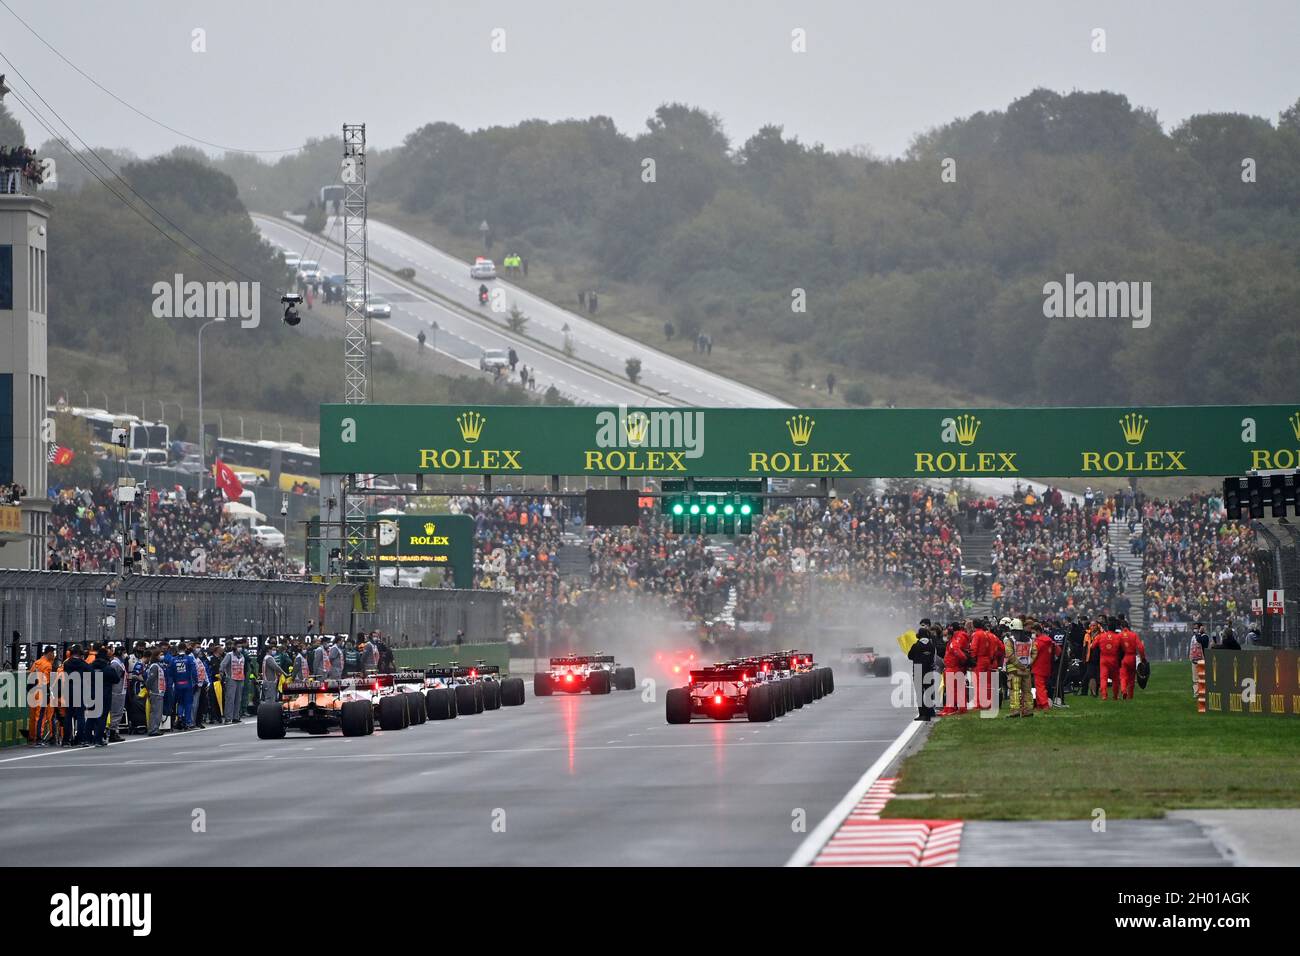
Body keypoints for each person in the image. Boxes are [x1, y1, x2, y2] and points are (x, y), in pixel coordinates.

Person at [1003, 621, 1036, 717]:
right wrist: (1029, 663)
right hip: (1026, 670)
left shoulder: (1010, 640)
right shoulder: (1030, 640)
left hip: (1014, 670)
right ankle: (1028, 710)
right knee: (1027, 691)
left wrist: (1019, 665)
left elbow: (1010, 655)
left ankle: (1015, 710)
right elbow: (1034, 652)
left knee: (1015, 691)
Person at [907, 621, 938, 721]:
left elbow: (910, 656)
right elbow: (933, 658)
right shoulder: (931, 646)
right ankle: (930, 713)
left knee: (920, 694)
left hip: (918, 670)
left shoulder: (916, 646)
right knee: (928, 693)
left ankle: (922, 714)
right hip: (929, 670)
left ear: (918, 635)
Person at [938, 622, 970, 716]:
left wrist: (959, 663)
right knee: (956, 689)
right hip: (953, 668)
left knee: (952, 690)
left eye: (946, 634)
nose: (945, 636)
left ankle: (951, 709)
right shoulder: (952, 642)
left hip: (952, 668)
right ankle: (956, 708)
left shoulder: (953, 644)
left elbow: (961, 656)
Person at [26, 645, 55, 746]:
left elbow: (30, 677)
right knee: (40, 716)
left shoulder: (36, 663)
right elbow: (46, 681)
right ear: (50, 653)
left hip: (32, 692)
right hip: (41, 692)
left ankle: (32, 737)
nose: (54, 655)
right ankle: (38, 738)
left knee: (33, 715)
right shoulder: (47, 665)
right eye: (53, 653)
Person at [1030, 620, 1059, 710]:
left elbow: (1033, 653)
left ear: (1037, 631)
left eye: (1033, 632)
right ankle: (1039, 705)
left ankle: (1045, 704)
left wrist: (1029, 663)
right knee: (1041, 686)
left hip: (1038, 667)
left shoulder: (1038, 642)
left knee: (1039, 687)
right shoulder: (1049, 640)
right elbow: (1058, 651)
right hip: (1047, 667)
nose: (1032, 634)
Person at [1118, 621, 1146, 700]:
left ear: (1121, 627)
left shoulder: (1119, 635)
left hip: (1123, 658)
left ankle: (1123, 691)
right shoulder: (1134, 635)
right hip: (1132, 657)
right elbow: (1141, 647)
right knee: (1131, 678)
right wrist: (1142, 657)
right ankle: (1130, 696)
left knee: (1123, 676)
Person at [1096, 621, 1123, 701]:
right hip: (1114, 659)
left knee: (1103, 678)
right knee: (1115, 679)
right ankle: (1115, 696)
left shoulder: (1101, 636)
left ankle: (1104, 695)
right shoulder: (1118, 637)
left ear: (1107, 628)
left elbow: (1093, 646)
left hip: (1103, 659)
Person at [221, 643, 247, 723]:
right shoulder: (229, 655)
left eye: (241, 646)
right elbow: (223, 664)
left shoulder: (242, 656)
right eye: (238, 646)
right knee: (230, 699)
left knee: (238, 699)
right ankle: (228, 717)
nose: (240, 648)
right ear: (234, 647)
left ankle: (236, 717)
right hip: (231, 678)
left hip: (240, 678)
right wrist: (222, 673)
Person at [106, 646, 127, 743]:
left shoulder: (120, 663)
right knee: (116, 713)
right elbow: (113, 678)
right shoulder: (115, 664)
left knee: (118, 712)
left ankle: (114, 731)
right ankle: (112, 733)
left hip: (121, 690)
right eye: (124, 652)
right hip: (116, 691)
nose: (125, 654)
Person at [144, 650, 167, 736]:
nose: (162, 656)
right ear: (156, 656)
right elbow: (150, 679)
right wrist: (149, 688)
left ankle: (155, 728)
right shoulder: (154, 666)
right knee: (155, 712)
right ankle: (153, 729)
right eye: (160, 654)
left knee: (157, 711)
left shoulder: (158, 666)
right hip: (155, 692)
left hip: (159, 692)